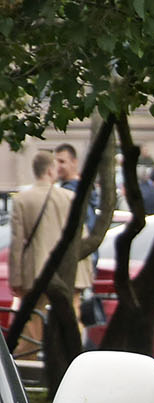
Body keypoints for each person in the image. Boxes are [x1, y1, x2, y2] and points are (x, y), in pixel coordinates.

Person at [8, 151, 73, 353]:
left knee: (31, 327)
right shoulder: (68, 198)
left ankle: (28, 365)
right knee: (67, 323)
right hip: (61, 272)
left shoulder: (21, 200)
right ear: (50, 170)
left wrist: (15, 278)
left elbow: (17, 243)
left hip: (33, 270)